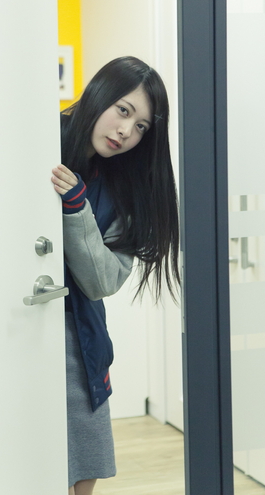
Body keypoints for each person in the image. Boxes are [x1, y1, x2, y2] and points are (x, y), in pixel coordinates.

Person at [51, 56, 180, 495]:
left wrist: (76, 207)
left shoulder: (126, 188)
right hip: (16, 327)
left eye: (141, 126)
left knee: (82, 468)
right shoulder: (38, 140)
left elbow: (103, 282)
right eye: (123, 110)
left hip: (78, 336)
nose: (126, 131)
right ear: (99, 94)